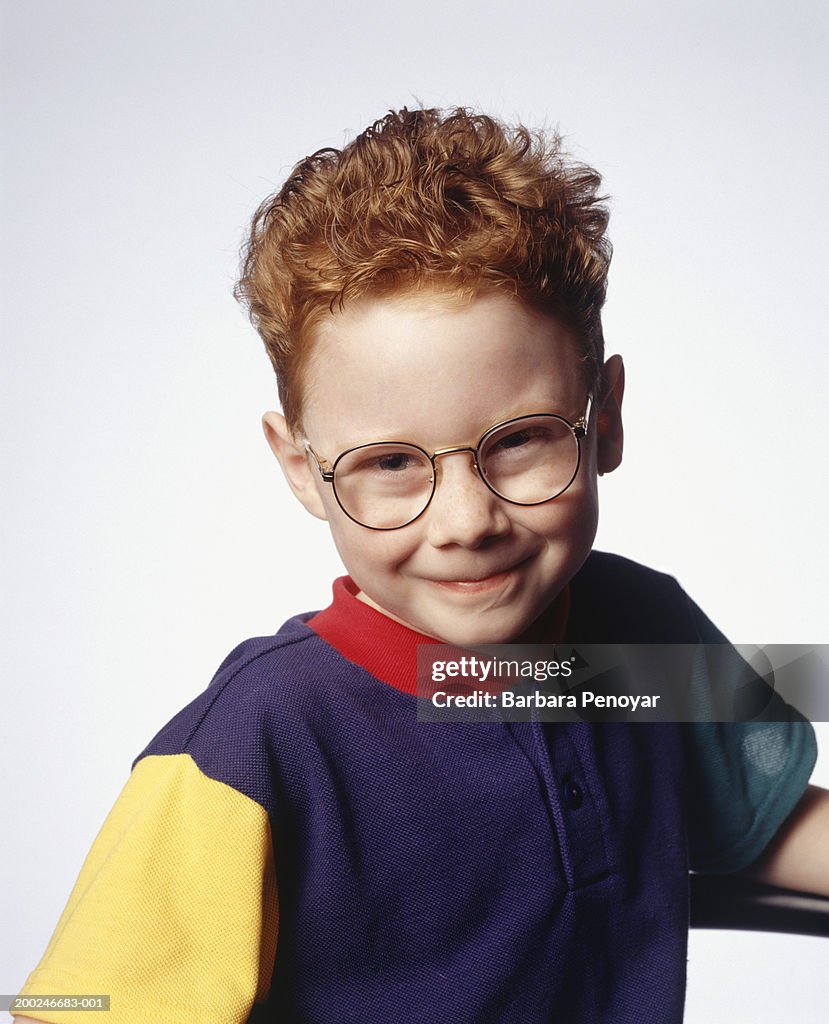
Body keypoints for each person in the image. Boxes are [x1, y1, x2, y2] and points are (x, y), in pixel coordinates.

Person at [12, 107, 829, 1024]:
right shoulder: (252, 750)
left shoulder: (636, 633)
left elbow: (755, 826)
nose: (467, 522)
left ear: (605, 417)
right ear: (302, 470)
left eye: (520, 441)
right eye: (391, 462)